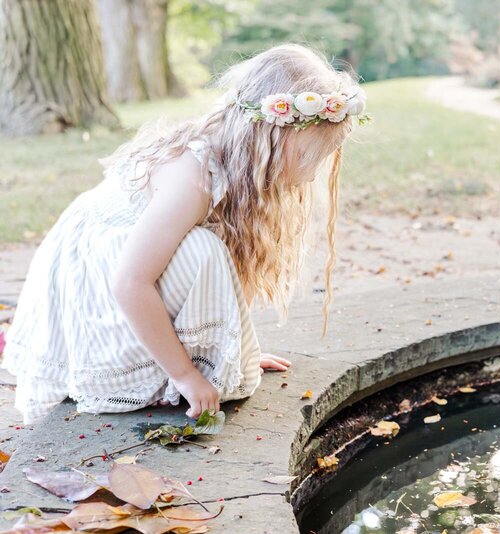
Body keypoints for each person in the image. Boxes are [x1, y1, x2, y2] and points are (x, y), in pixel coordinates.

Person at [1, 43, 369, 424]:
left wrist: (231, 347)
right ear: (267, 137)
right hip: (94, 274)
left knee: (211, 251)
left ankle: (181, 357)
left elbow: (228, 271)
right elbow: (130, 283)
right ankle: (158, 368)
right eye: (309, 158)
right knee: (201, 250)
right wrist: (186, 376)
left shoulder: (238, 165)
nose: (311, 174)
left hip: (130, 267)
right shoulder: (191, 180)